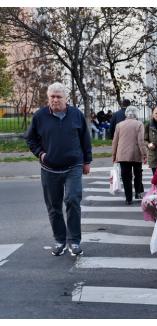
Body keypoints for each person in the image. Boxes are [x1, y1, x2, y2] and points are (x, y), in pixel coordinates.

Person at [25, 82, 92, 257]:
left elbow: (85, 139)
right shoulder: (40, 116)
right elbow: (30, 139)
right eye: (52, 97)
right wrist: (41, 154)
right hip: (49, 168)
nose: (55, 100)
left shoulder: (76, 115)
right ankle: (60, 240)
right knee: (54, 206)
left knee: (72, 200)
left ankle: (74, 241)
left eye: (58, 96)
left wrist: (87, 161)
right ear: (48, 98)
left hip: (74, 165)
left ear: (66, 98)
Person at [112, 106, 147, 205]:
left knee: (126, 177)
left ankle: (128, 198)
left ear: (126, 114)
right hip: (136, 154)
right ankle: (138, 192)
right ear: (136, 114)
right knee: (138, 174)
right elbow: (141, 141)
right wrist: (144, 154)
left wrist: (114, 155)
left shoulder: (119, 125)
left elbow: (115, 141)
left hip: (122, 155)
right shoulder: (139, 124)